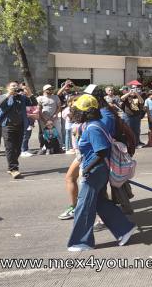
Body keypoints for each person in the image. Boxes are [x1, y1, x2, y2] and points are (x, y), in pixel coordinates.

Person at [67, 94, 136, 251]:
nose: (75, 112)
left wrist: (87, 169)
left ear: (86, 112)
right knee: (100, 202)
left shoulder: (93, 127)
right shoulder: (94, 124)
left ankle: (81, 242)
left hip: (95, 172)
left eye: (77, 110)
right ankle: (124, 229)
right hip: (97, 170)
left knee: (83, 206)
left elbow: (101, 152)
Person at [0, 81, 37, 178]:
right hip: (8, 126)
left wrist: (29, 92)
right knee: (10, 148)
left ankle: (11, 167)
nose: (16, 87)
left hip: (20, 126)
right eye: (13, 86)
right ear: (8, 88)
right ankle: (14, 169)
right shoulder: (4, 96)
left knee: (17, 149)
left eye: (17, 86)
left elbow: (34, 103)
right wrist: (10, 94)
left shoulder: (22, 97)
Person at [37, 84, 63, 149]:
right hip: (44, 119)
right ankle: (46, 146)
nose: (51, 90)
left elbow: (59, 107)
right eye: (48, 89)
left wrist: (55, 114)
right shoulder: (40, 98)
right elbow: (39, 109)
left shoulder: (56, 97)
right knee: (45, 133)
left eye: (51, 88)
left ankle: (60, 146)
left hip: (54, 118)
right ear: (44, 90)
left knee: (58, 131)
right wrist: (43, 119)